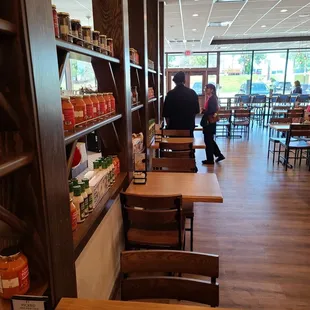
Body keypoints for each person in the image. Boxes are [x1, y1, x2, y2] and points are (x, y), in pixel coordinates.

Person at [163, 71, 200, 136]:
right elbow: (196, 111)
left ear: (174, 81)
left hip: (174, 127)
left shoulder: (170, 94)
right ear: (184, 80)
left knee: (174, 145)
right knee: (187, 144)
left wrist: (169, 126)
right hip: (188, 127)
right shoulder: (192, 93)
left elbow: (166, 115)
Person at [201, 84, 225, 165]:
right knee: (209, 140)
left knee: (208, 141)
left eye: (207, 88)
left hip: (209, 122)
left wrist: (204, 111)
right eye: (205, 88)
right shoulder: (211, 98)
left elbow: (212, 111)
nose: (205, 89)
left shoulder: (212, 99)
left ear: (212, 89)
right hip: (210, 122)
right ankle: (218, 155)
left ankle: (210, 159)